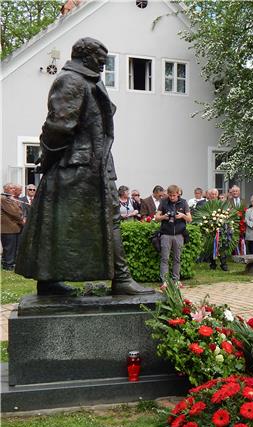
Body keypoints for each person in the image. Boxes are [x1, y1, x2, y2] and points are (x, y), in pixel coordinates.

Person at [15, 37, 151, 296]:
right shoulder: (71, 80)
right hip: (76, 167)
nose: (103, 65)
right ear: (84, 57)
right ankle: (116, 278)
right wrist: (49, 155)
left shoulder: (89, 80)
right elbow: (58, 126)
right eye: (100, 60)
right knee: (65, 221)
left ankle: (52, 279)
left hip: (91, 164)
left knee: (65, 221)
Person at [155, 184, 192, 290]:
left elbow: (190, 219)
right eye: (170, 195)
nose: (172, 197)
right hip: (166, 234)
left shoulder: (183, 202)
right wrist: (164, 217)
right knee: (164, 259)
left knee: (177, 259)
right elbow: (157, 218)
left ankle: (176, 280)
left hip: (179, 235)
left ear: (178, 194)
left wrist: (182, 216)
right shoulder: (163, 201)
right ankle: (165, 281)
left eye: (174, 195)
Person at [1, 183, 24, 270]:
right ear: (5, 189)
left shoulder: (11, 199)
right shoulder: (4, 199)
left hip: (15, 227)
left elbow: (19, 210)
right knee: (9, 248)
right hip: (8, 228)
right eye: (11, 188)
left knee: (13, 247)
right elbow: (14, 212)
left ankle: (11, 263)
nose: (13, 190)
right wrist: (21, 219)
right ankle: (8, 265)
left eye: (14, 188)